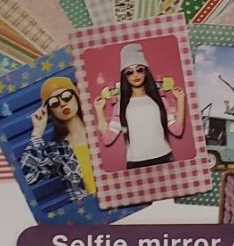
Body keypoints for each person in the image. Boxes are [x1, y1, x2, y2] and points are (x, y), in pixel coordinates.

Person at [98, 42, 184, 169]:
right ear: (124, 76)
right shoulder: (120, 106)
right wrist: (99, 111)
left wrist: (180, 100)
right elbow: (107, 139)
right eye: (129, 72)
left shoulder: (160, 101)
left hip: (164, 158)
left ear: (145, 71)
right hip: (136, 163)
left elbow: (177, 130)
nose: (135, 75)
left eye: (139, 69)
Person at [19, 75, 96, 203]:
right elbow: (27, 177)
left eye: (66, 96)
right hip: (91, 210)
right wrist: (38, 131)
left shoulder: (101, 129)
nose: (62, 103)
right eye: (54, 102)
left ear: (76, 96)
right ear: (50, 110)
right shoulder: (57, 151)